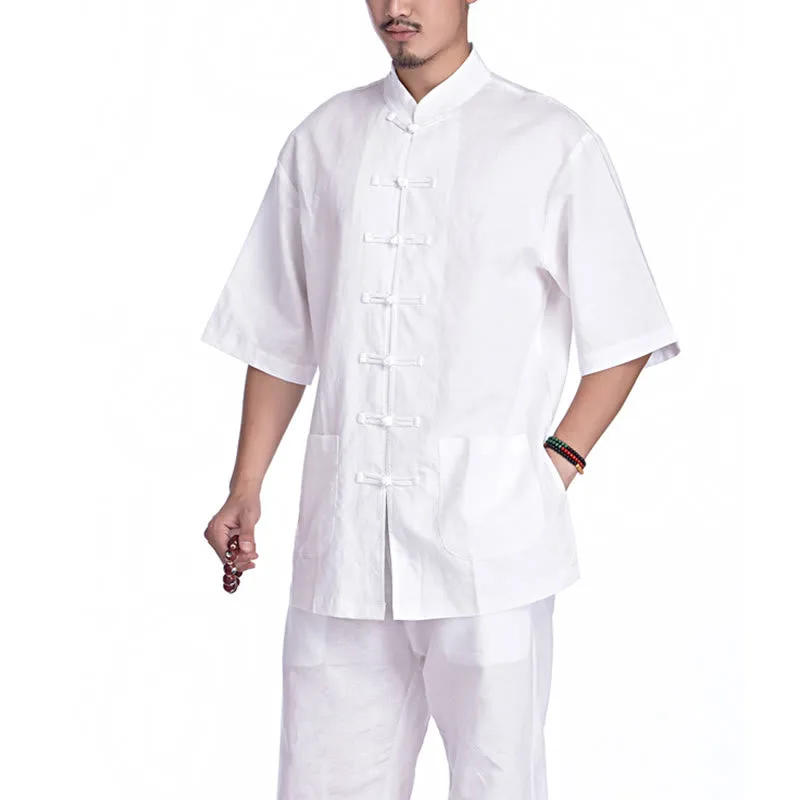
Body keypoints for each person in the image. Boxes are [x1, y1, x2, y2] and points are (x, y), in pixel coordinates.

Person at [200, 1, 681, 797]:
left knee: (496, 783)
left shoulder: (550, 141)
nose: (398, 8)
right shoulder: (322, 139)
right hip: (343, 547)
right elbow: (279, 332)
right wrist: (245, 487)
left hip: (490, 547)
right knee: (322, 783)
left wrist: (556, 464)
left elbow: (625, 328)